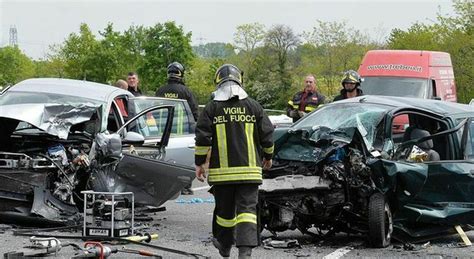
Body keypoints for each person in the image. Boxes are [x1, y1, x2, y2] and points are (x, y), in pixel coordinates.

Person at [195, 64, 274, 258]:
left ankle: (224, 245)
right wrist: (268, 156)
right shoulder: (253, 105)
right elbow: (267, 134)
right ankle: (245, 253)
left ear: (218, 80)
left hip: (223, 174)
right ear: (240, 79)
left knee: (225, 213)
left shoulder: (212, 107)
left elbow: (203, 138)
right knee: (247, 212)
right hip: (249, 172)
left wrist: (199, 163)